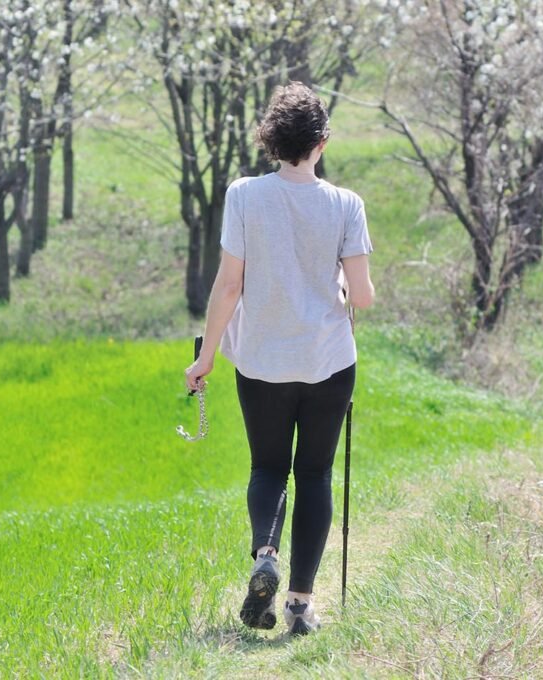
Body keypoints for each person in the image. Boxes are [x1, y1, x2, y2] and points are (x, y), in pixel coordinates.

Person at [184, 82, 374, 636]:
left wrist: (206, 357)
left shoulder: (244, 194)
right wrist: (338, 287)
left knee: (268, 467)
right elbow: (361, 296)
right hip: (328, 362)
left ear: (271, 140)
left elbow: (228, 285)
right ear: (320, 143)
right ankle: (298, 607)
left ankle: (266, 553)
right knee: (314, 474)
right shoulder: (346, 204)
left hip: (261, 360)